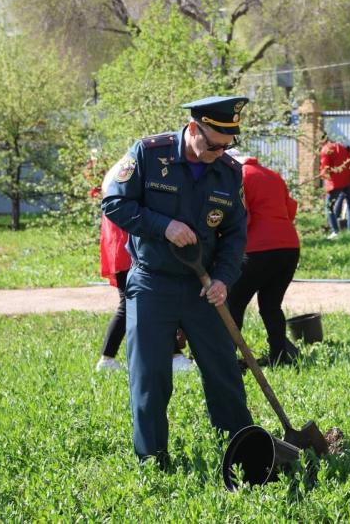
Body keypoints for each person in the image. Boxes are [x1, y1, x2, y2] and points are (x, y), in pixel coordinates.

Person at [101, 95, 254, 467]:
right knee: (151, 378)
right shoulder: (149, 154)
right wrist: (162, 226)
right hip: (152, 284)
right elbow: (114, 203)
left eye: (226, 145)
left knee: (224, 373)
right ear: (193, 128)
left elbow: (235, 235)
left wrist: (223, 279)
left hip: (204, 290)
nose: (218, 152)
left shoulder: (229, 172)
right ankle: (153, 460)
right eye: (212, 144)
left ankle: (242, 451)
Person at [95, 163, 194, 373]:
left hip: (123, 254)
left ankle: (110, 358)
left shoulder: (120, 194)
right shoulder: (124, 198)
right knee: (132, 306)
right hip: (128, 256)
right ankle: (109, 358)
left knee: (142, 305)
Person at [227, 152, 301, 367]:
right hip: (289, 247)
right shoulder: (273, 175)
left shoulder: (238, 175)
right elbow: (290, 209)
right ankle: (279, 355)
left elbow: (243, 217)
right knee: (271, 305)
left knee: (234, 302)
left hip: (258, 249)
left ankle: (227, 358)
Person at [320, 134, 350, 238]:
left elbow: (325, 168)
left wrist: (325, 182)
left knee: (329, 207)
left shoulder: (326, 149)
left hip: (335, 183)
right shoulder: (341, 146)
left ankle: (335, 231)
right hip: (348, 181)